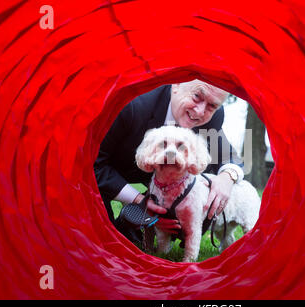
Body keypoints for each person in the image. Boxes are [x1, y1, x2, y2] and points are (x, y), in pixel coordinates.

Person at [94, 79, 244, 244]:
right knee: (101, 240)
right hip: (107, 167)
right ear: (176, 85)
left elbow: (228, 156)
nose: (200, 111)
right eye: (196, 97)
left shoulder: (213, 115)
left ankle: (133, 228)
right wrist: (139, 200)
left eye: (211, 106)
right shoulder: (132, 104)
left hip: (161, 179)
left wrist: (227, 178)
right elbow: (94, 163)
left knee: (133, 241)